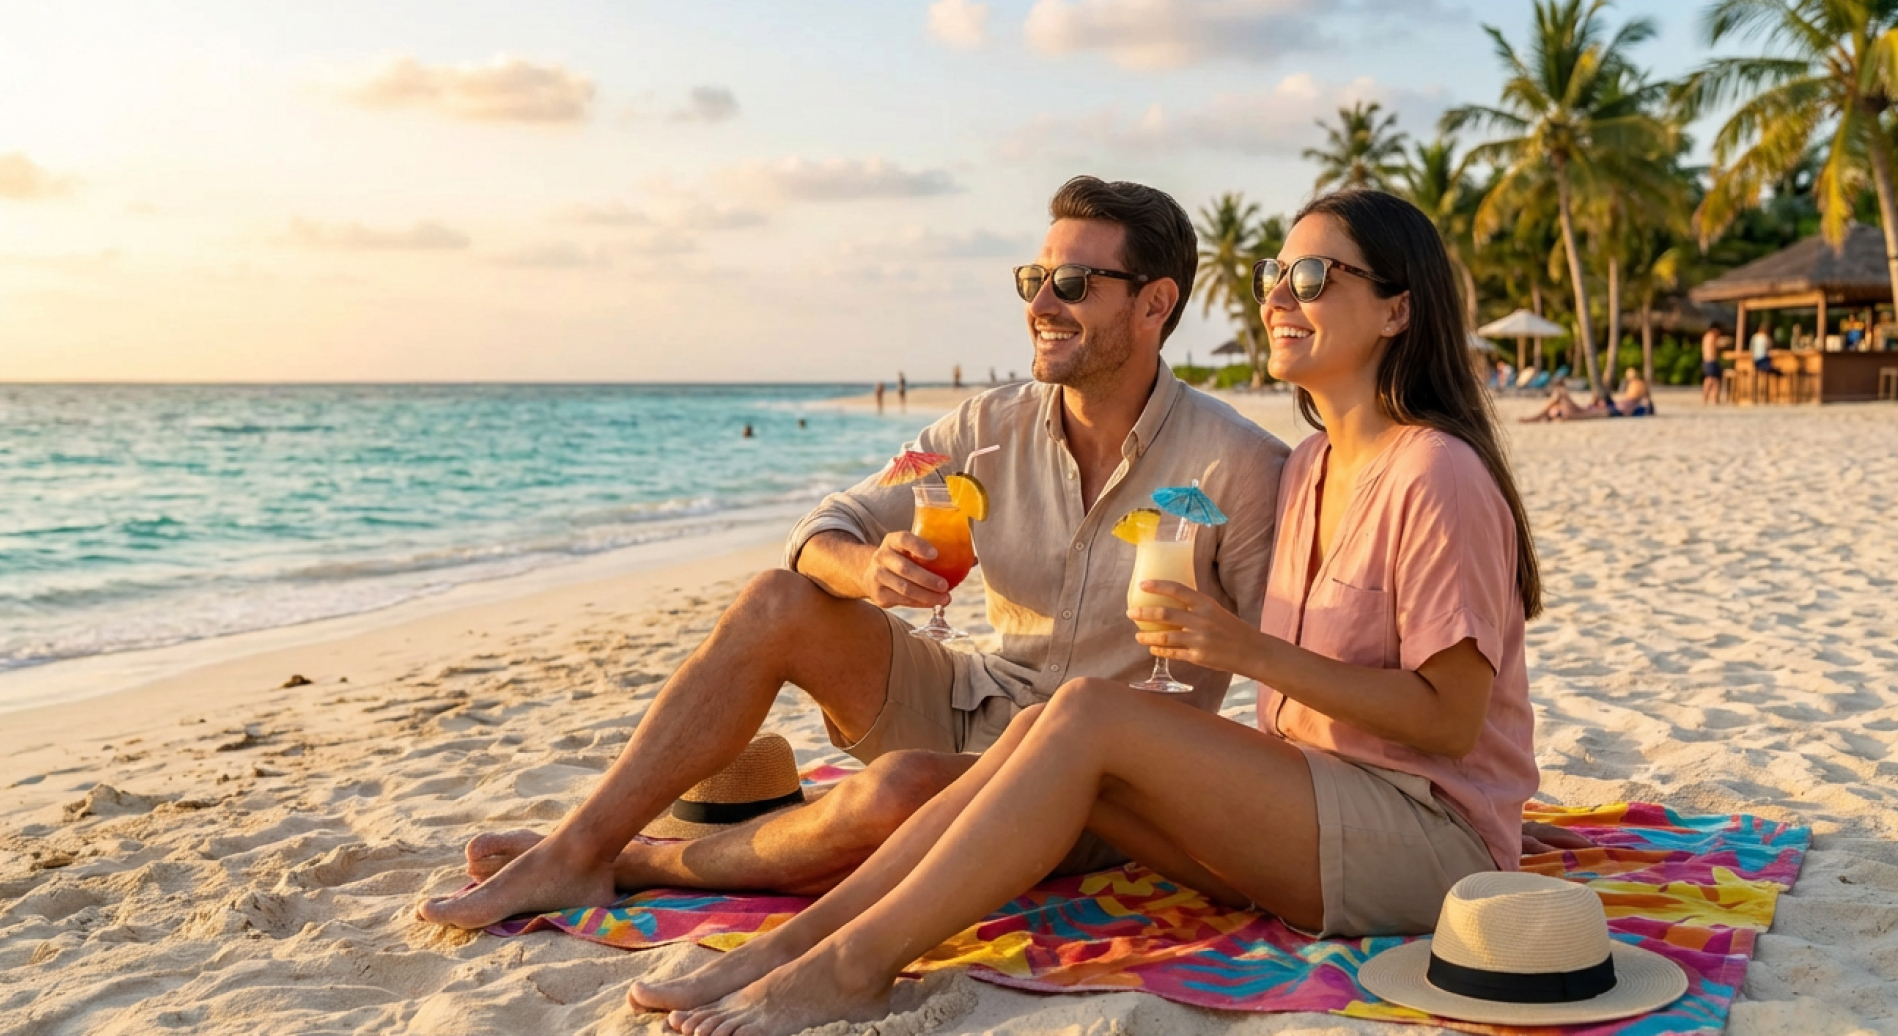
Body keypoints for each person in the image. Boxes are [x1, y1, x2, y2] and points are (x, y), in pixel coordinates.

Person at [638, 187, 1549, 1036]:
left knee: (1086, 712)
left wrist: (1246, 651)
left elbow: (1451, 720)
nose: (1279, 295)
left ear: (1397, 310)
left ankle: (852, 965)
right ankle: (795, 943)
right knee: (1043, 730)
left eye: (1313, 276)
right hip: (1314, 804)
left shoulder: (1436, 473)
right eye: (1274, 273)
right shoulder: (1308, 467)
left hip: (1422, 842)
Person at [414, 176, 1289, 931]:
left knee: (900, 790)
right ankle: (578, 847)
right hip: (976, 700)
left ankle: (644, 862)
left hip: (1104, 779)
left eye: (1072, 282)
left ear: (1154, 304)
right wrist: (868, 570)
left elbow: (1284, 667)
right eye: (1034, 279)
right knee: (776, 600)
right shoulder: (988, 427)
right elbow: (822, 529)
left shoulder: (1238, 463)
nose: (1040, 305)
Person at [1700, 325, 1723, 405]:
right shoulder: (1711, 337)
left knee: (1709, 379)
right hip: (1711, 360)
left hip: (1707, 360)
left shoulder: (1706, 336)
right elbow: (1715, 348)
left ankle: (1708, 397)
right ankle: (1714, 398)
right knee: (1712, 380)